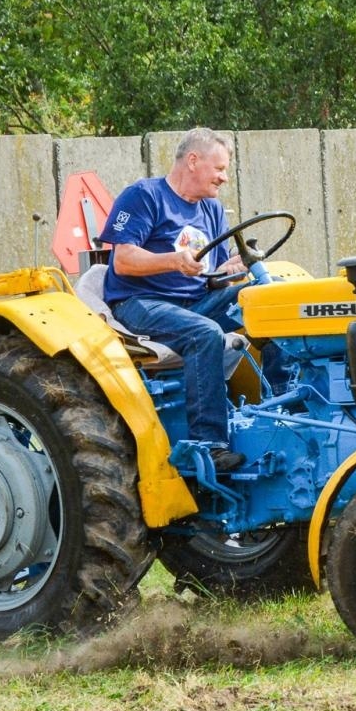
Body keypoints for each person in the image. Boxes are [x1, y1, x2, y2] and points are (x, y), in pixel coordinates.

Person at [99, 128, 247, 473]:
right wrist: (173, 260)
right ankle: (208, 445)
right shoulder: (144, 195)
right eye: (220, 169)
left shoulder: (211, 209)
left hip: (195, 301)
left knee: (266, 301)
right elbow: (123, 260)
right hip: (140, 303)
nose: (224, 178)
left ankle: (288, 407)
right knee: (205, 333)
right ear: (193, 161)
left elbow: (213, 272)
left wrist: (232, 269)